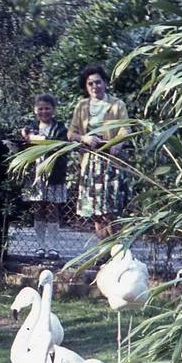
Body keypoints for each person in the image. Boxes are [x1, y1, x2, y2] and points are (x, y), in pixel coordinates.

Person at [68, 65, 130, 240]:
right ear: (86, 86)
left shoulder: (117, 105)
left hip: (111, 163)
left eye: (98, 82)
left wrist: (117, 143)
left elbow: (126, 128)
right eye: (90, 83)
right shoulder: (81, 106)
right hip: (90, 164)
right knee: (96, 211)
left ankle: (117, 252)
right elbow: (71, 133)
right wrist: (84, 138)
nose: (95, 86)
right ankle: (102, 251)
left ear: (105, 83)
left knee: (111, 211)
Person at [20, 92, 68, 260]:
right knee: (38, 209)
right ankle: (40, 247)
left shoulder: (60, 128)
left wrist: (36, 139)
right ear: (35, 110)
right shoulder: (30, 127)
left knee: (52, 209)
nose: (44, 112)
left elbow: (55, 144)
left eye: (47, 108)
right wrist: (29, 137)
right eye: (40, 109)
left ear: (53, 110)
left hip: (54, 175)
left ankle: (53, 248)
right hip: (35, 175)